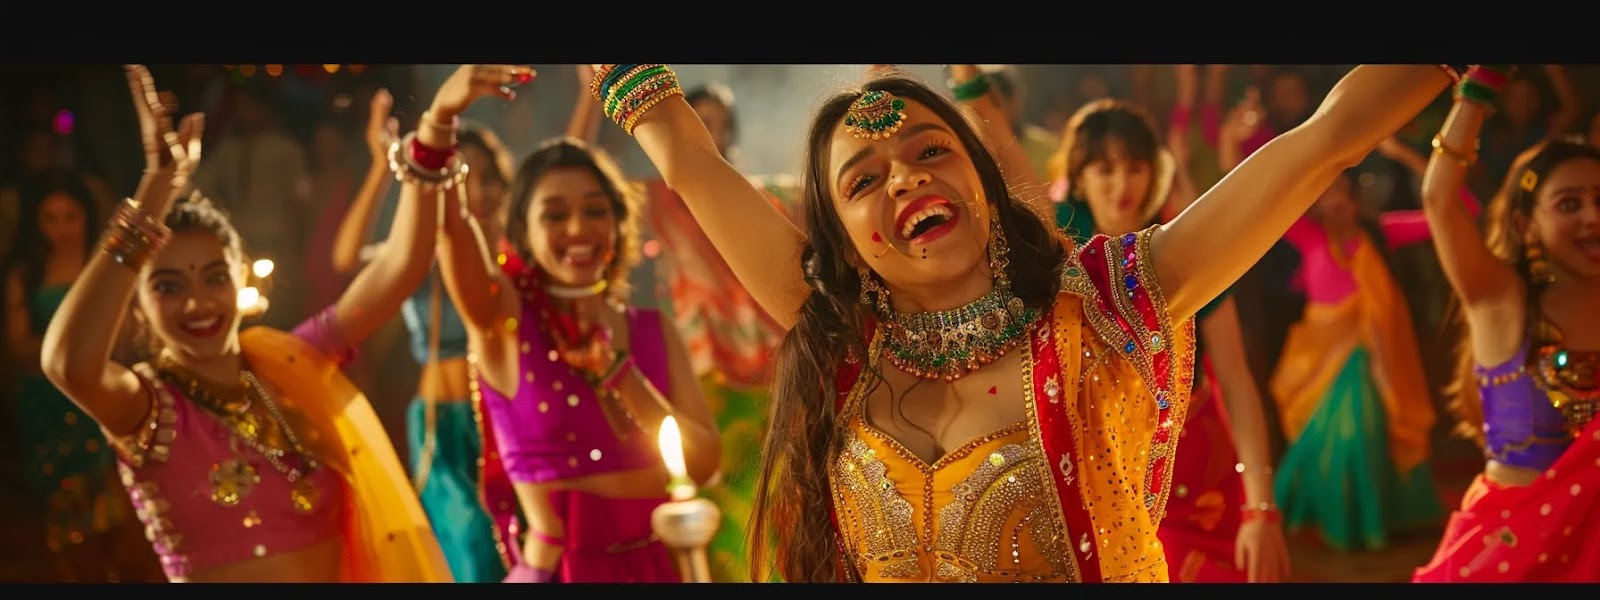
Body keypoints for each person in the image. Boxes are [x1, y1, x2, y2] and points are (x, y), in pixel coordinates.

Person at [590, 62, 1457, 582]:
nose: (901, 178)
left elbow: (1324, 139)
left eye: (932, 150)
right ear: (846, 245)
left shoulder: (1111, 302)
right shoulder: (840, 339)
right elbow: (689, 158)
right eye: (863, 180)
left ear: (983, 182)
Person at [34, 64, 523, 582]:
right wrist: (157, 187)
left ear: (242, 282)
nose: (197, 303)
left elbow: (399, 269)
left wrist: (435, 129)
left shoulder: (287, 369)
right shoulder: (147, 409)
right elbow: (68, 364)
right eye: (169, 286)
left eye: (214, 278)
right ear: (138, 306)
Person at [435, 122, 721, 581]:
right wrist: (438, 128)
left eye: (595, 210)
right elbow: (452, 236)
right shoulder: (503, 322)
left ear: (619, 222)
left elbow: (704, 463)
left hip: (656, 566)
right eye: (554, 215)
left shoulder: (653, 329)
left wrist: (618, 373)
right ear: (523, 232)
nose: (578, 229)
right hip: (558, 572)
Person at [1044, 97, 1290, 582]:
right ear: (1078, 177)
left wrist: (1261, 508)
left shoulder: (1182, 257)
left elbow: (1236, 382)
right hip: (1091, 487)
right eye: (1104, 168)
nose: (1121, 186)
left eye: (1135, 167)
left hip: (1193, 475)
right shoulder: (1055, 267)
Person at [1411, 66, 1600, 582]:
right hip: (1510, 548)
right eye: (1569, 204)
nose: (1593, 218)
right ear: (1524, 223)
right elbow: (1439, 198)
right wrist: (1479, 87)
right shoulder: (1500, 298)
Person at [327, 88, 517, 584]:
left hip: (502, 417)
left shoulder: (512, 250)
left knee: (513, 542)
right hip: (438, 419)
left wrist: (588, 99)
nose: (469, 187)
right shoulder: (424, 250)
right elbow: (347, 258)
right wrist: (379, 166)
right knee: (468, 550)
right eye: (459, 174)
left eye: (480, 175)